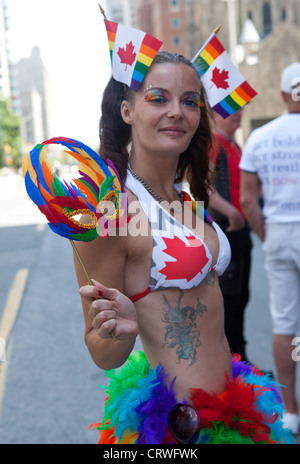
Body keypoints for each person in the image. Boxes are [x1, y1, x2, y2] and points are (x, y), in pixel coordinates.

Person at [76, 51, 291, 444]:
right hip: (181, 430)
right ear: (127, 110)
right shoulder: (111, 209)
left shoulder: (184, 197)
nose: (177, 111)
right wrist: (120, 333)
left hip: (236, 408)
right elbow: (100, 351)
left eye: (190, 101)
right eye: (158, 98)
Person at [240, 62, 300, 435]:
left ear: (281, 94)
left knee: (285, 324)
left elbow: (248, 201)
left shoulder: (261, 138)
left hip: (278, 231)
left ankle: (291, 411)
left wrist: (267, 236)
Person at [209, 108, 253, 362]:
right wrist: (232, 212)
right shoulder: (214, 143)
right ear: (215, 114)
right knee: (231, 301)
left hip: (240, 230)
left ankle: (242, 361)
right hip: (227, 227)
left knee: (241, 299)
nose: (237, 113)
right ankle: (235, 366)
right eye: (229, 109)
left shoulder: (233, 144)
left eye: (239, 108)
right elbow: (201, 183)